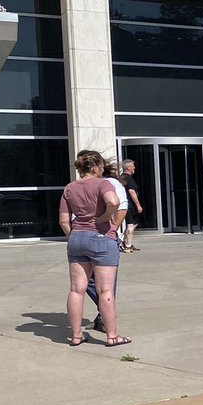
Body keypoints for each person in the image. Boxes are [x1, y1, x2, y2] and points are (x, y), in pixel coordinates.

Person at [58, 149, 130, 347]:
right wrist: (105, 219)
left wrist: (75, 235)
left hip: (76, 237)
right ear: (97, 167)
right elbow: (114, 202)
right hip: (101, 237)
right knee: (105, 290)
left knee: (76, 289)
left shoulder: (70, 188)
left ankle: (76, 336)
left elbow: (64, 221)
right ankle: (112, 336)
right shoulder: (103, 183)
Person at [86, 160, 129, 331]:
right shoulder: (83, 184)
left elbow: (121, 206)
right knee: (87, 280)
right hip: (86, 237)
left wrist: (112, 230)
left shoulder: (110, 183)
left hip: (104, 236)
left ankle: (104, 317)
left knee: (106, 282)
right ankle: (104, 312)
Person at [119, 158, 144, 253]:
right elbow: (132, 192)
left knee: (133, 224)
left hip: (123, 204)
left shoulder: (120, 178)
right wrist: (138, 205)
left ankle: (125, 243)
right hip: (129, 205)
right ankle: (128, 246)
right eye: (133, 166)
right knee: (130, 225)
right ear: (128, 168)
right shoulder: (128, 178)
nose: (135, 168)